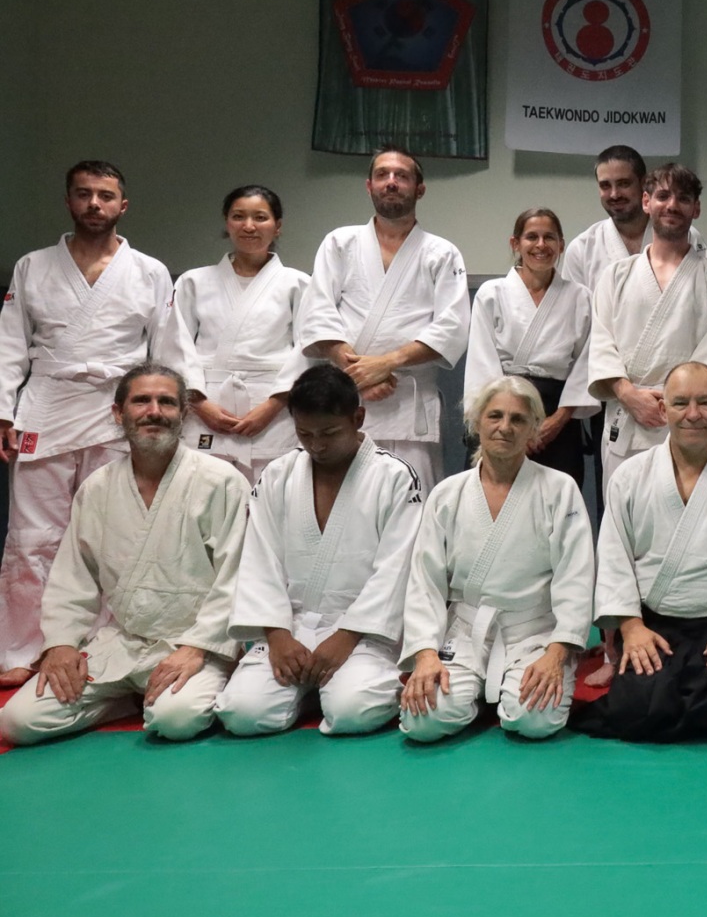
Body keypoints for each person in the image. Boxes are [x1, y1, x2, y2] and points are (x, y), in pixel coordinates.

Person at [0, 161, 185, 687]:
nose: (94, 204)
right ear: (68, 201)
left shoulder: (149, 271)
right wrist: (3, 410)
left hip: (117, 411)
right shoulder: (33, 266)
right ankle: (22, 646)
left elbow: (167, 349)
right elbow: (10, 341)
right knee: (32, 537)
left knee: (112, 533)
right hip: (49, 405)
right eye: (84, 194)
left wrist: (167, 413)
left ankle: (100, 643)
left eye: (105, 195)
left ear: (123, 205)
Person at [0, 365, 246, 745]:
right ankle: (124, 699)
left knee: (176, 720)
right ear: (118, 413)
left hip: (194, 645)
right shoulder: (97, 489)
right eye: (141, 401)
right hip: (122, 644)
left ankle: (172, 692)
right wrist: (61, 644)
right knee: (18, 721)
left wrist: (198, 647)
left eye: (167, 402)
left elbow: (237, 576)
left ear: (183, 413)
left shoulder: (221, 481)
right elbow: (73, 577)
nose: (154, 411)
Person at [574, 362, 707, 742]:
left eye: (705, 403)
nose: (693, 414)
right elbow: (613, 556)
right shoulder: (631, 476)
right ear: (664, 410)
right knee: (638, 708)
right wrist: (631, 627)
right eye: (680, 403)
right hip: (655, 626)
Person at [213, 364, 421, 737]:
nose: (317, 445)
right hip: (290, 626)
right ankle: (308, 688)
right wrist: (277, 635)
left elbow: (397, 567)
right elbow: (260, 560)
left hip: (363, 632)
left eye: (329, 433)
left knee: (352, 711)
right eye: (305, 434)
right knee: (242, 713)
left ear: (358, 418)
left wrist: (346, 636)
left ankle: (326, 689)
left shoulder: (394, 477)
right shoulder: (278, 475)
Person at [398, 376, 595, 742]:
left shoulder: (559, 489)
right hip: (465, 633)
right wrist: (425, 655)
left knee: (533, 720)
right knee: (423, 722)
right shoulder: (447, 494)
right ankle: (475, 691)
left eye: (518, 419)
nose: (505, 427)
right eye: (495, 416)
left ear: (534, 429)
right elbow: (425, 581)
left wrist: (557, 652)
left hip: (534, 632)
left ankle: (500, 690)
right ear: (476, 422)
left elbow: (576, 577)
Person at [294, 149, 469, 492]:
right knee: (340, 499)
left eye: (402, 176)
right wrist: (358, 375)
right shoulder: (339, 243)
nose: (391, 182)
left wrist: (387, 363)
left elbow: (452, 326)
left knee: (412, 500)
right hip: (344, 400)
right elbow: (317, 312)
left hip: (409, 403)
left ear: (420, 189)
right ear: (369, 186)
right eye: (382, 175)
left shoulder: (442, 253)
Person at [587, 162, 707, 489]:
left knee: (695, 513)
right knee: (626, 513)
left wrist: (677, 403)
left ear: (696, 209)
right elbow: (600, 344)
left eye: (683, 198)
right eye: (663, 196)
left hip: (691, 419)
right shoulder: (615, 276)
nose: (672, 205)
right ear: (646, 202)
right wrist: (628, 395)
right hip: (628, 418)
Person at [171, 184, 310, 485]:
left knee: (270, 492)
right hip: (206, 404)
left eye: (260, 217)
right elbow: (175, 346)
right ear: (227, 222)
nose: (249, 226)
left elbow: (307, 349)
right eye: (238, 216)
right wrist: (199, 404)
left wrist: (272, 406)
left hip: (273, 407)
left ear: (277, 226)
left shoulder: (298, 284)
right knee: (203, 490)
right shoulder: (193, 282)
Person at [464, 207, 598, 489]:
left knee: (557, 496)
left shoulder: (580, 297)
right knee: (494, 495)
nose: (541, 245)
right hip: (501, 409)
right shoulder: (491, 294)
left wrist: (557, 420)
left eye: (549, 237)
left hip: (557, 418)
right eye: (532, 237)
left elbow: (586, 364)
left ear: (561, 245)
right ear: (516, 243)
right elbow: (481, 362)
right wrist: (506, 421)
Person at [562, 144, 705, 294]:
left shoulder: (688, 236)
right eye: (605, 186)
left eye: (623, 184)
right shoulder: (581, 250)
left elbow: (703, 294)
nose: (614, 194)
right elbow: (574, 307)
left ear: (643, 184)